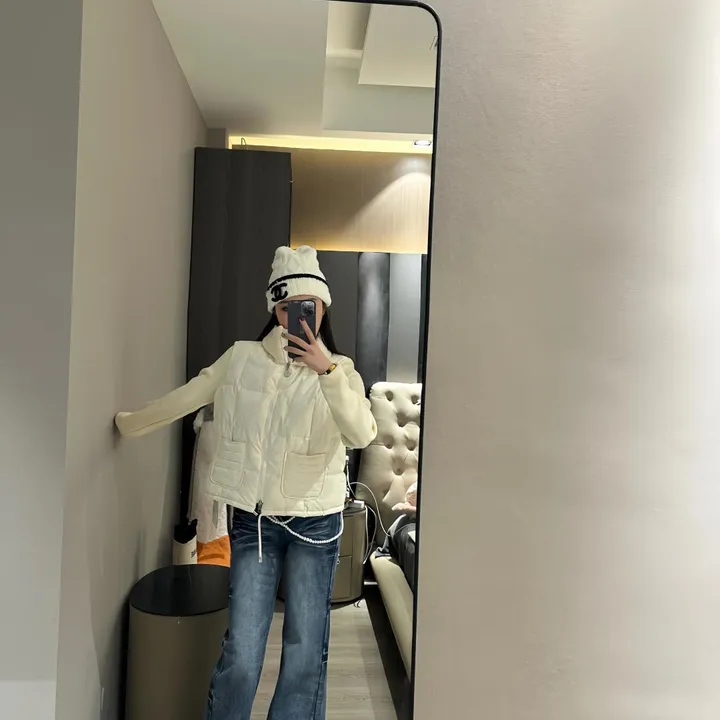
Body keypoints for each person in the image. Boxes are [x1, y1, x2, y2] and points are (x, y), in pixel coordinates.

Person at [115, 245, 377, 720]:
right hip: (255, 524)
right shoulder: (241, 359)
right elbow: (191, 395)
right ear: (275, 309)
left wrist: (326, 371)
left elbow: (361, 434)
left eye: (308, 306)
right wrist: (131, 423)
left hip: (316, 523)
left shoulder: (341, 371)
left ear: (322, 308)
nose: (298, 316)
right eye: (287, 306)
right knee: (241, 650)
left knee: (304, 652)